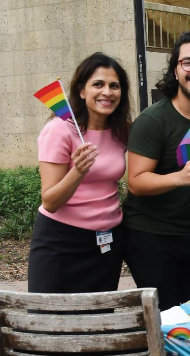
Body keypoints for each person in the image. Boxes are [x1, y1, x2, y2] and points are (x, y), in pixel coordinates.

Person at [122, 29, 190, 310]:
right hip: (151, 237)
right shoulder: (153, 120)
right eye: (188, 63)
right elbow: (135, 181)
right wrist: (179, 177)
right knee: (167, 319)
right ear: (176, 70)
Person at [29, 53, 131, 293]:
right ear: (82, 91)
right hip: (61, 244)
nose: (107, 92)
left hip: (107, 245)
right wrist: (78, 171)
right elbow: (50, 201)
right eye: (98, 84)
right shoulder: (58, 130)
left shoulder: (121, 131)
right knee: (52, 324)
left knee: (97, 322)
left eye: (114, 86)